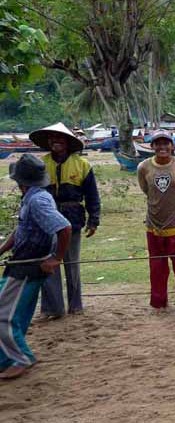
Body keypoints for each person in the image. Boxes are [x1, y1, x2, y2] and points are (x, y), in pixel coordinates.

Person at [0, 154, 72, 379]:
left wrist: (57, 258)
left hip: (28, 267)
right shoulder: (32, 197)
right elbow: (22, 230)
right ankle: (6, 358)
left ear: (19, 180)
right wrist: (1, 249)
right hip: (21, 263)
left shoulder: (37, 201)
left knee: (3, 315)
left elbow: (64, 227)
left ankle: (21, 358)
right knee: (17, 314)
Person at [29, 122, 100, 319]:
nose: (56, 141)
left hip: (73, 218)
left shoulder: (82, 165)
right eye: (52, 138)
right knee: (48, 262)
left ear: (68, 142)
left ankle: (76, 306)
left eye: (60, 138)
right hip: (46, 219)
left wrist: (94, 220)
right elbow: (32, 192)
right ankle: (52, 308)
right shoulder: (41, 165)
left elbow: (92, 195)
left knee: (72, 263)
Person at [136, 130, 175, 321]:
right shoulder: (143, 167)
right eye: (158, 143)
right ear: (152, 146)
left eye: (166, 143)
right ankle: (159, 303)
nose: (162, 147)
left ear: (172, 145)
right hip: (153, 227)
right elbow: (146, 190)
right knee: (157, 268)